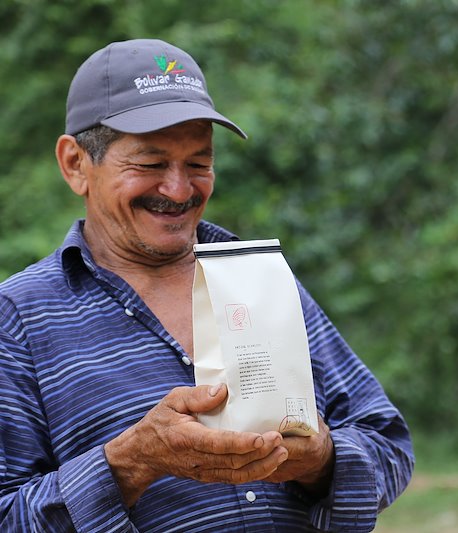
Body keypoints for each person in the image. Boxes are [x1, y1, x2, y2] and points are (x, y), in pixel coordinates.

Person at [0, 38, 414, 532]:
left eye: (198, 163)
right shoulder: (18, 319)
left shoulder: (258, 277)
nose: (178, 189)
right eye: (150, 164)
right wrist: (132, 463)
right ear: (75, 164)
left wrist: (323, 460)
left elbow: (387, 443)